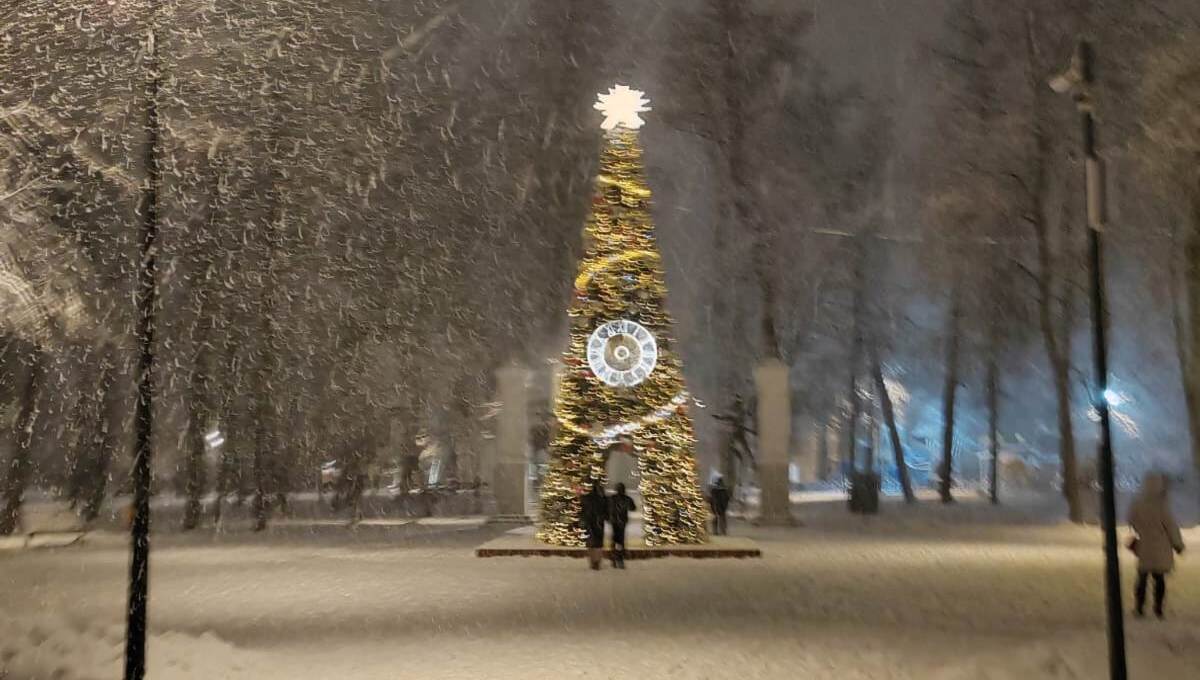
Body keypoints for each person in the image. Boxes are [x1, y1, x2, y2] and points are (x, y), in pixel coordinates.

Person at [1127, 473, 1186, 619]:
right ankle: (1158, 609)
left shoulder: (1137, 503)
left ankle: (1139, 608)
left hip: (1145, 546)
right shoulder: (1162, 506)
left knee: (1142, 578)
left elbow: (1131, 521)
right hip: (1161, 548)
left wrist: (1141, 530)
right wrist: (1178, 545)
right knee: (1159, 579)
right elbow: (1171, 527)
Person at [580, 481, 608, 570]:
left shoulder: (585, 498)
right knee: (598, 545)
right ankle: (597, 562)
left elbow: (582, 511)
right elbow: (606, 512)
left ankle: (592, 561)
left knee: (590, 544)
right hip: (599, 523)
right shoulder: (603, 499)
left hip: (589, 523)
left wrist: (582, 520)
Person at [608, 483, 636, 569]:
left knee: (614, 539)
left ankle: (613, 557)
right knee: (620, 541)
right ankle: (619, 558)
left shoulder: (611, 498)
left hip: (614, 521)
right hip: (622, 522)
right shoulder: (627, 499)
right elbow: (633, 508)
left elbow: (607, 507)